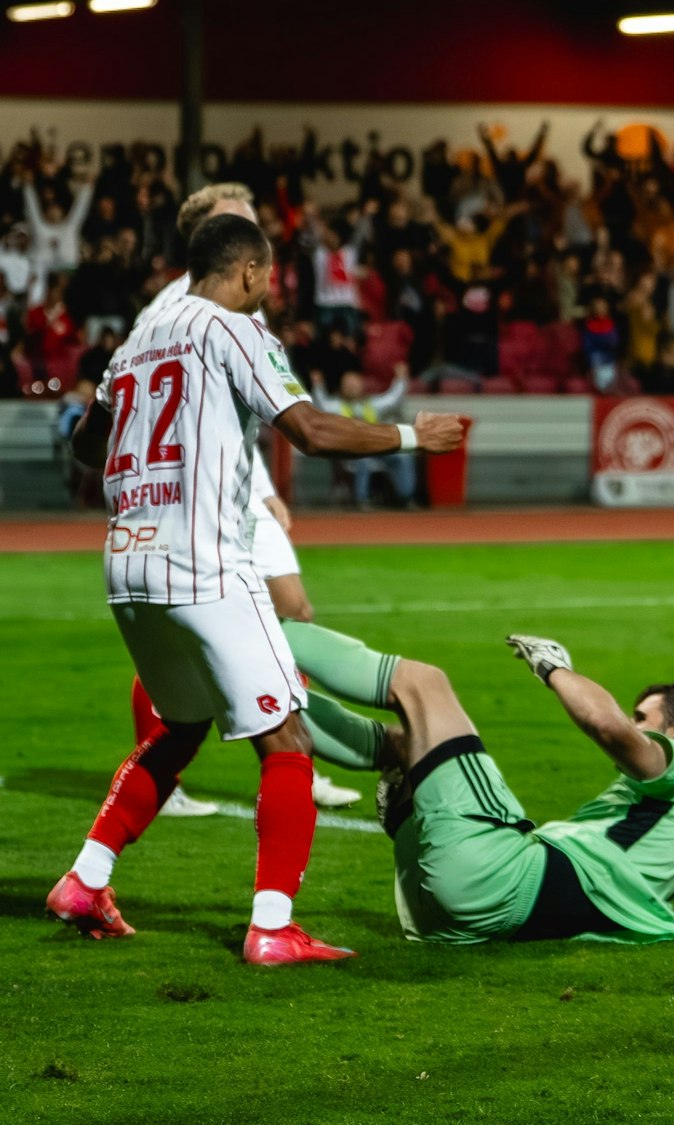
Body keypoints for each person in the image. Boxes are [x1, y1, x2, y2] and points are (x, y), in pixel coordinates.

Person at [46, 213, 464, 964]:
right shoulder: (235, 329)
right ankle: (273, 926)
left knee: (177, 727)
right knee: (286, 737)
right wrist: (412, 437)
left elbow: (85, 443)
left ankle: (86, 877)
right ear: (247, 272)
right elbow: (309, 430)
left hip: (127, 559)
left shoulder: (137, 338)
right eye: (267, 277)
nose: (266, 290)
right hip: (206, 561)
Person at [121, 182, 362, 815]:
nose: (257, 239)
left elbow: (234, 411)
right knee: (187, 626)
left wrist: (262, 487)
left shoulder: (230, 307)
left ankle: (287, 756)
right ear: (213, 239)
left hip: (234, 487)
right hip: (198, 502)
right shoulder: (185, 309)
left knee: (292, 611)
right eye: (240, 224)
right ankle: (279, 759)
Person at [276, 622, 674, 944]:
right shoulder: (672, 829)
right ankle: (258, 691)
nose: (633, 723)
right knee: (408, 747)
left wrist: (554, 669)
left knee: (424, 684)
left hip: (497, 882)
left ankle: (261, 627)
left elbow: (607, 727)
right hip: (461, 920)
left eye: (643, 718)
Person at [311, 368, 417, 508]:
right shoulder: (336, 406)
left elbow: (392, 400)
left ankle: (405, 498)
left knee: (402, 457)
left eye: (355, 384)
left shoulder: (371, 405)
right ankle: (361, 500)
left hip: (376, 449)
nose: (352, 387)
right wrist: (318, 385)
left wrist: (401, 380)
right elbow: (321, 405)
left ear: (361, 385)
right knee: (363, 459)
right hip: (349, 452)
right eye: (348, 385)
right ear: (342, 387)